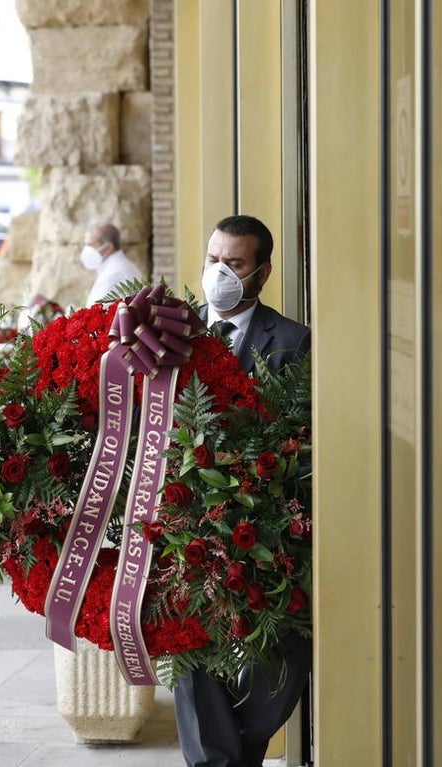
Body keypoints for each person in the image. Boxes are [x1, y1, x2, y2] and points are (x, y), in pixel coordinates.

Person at [176, 214, 312, 767]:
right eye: (213, 260)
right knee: (188, 650)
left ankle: (239, 752)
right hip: (184, 528)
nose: (219, 273)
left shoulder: (293, 342)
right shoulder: (173, 331)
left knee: (278, 661)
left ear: (263, 273)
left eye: (234, 264)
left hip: (263, 528)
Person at [80, 222, 144, 306]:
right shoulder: (117, 266)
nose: (87, 249)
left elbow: (95, 310)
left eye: (90, 245)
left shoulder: (114, 273)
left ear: (108, 247)